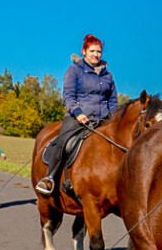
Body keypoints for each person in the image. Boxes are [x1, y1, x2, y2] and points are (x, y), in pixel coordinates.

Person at [35, 33, 118, 195]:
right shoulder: (74, 70)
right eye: (92, 51)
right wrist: (78, 113)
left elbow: (113, 100)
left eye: (99, 51)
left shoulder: (108, 75)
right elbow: (68, 96)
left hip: (102, 120)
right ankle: (49, 178)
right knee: (64, 142)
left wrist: (114, 119)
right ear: (84, 51)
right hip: (78, 118)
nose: (96, 55)